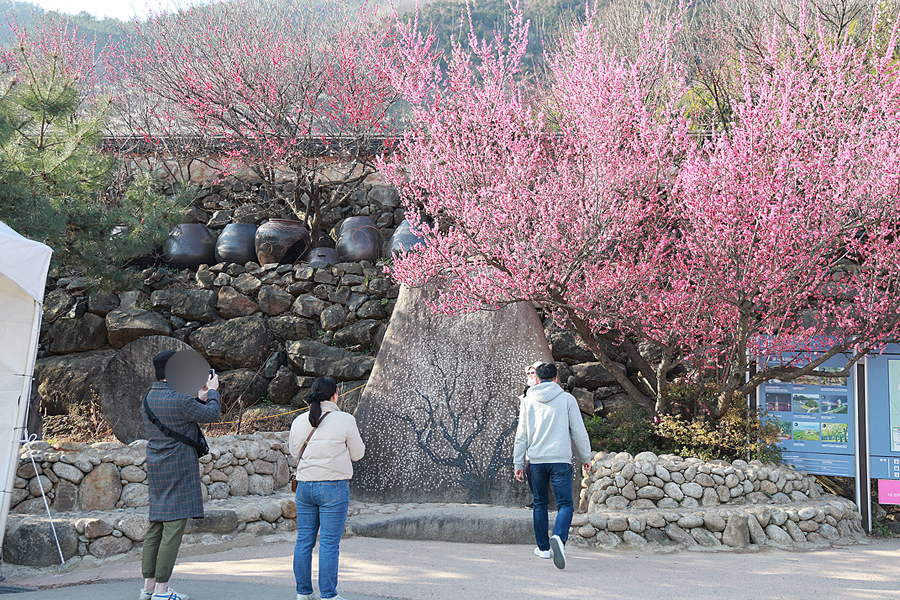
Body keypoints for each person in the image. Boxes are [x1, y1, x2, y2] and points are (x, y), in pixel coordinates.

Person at [139, 350, 220, 600]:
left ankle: (149, 587)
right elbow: (212, 415)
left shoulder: (149, 398)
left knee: (156, 526)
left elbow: (181, 414)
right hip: (179, 467)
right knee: (173, 528)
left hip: (157, 466)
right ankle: (163, 591)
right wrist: (213, 391)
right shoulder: (179, 400)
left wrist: (198, 397)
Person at [289, 377, 365, 600]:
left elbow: (295, 453)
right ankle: (328, 595)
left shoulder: (299, 420)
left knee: (304, 540)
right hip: (333, 487)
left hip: (304, 487)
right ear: (335, 396)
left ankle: (303, 593)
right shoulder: (345, 419)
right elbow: (358, 454)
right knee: (329, 543)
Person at [513, 361, 591, 570]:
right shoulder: (567, 399)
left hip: (536, 461)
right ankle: (558, 537)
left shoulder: (528, 401)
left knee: (540, 503)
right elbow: (579, 431)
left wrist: (518, 462)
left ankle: (543, 549)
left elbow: (522, 435)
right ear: (556, 378)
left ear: (537, 379)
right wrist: (586, 457)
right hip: (560, 461)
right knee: (565, 504)